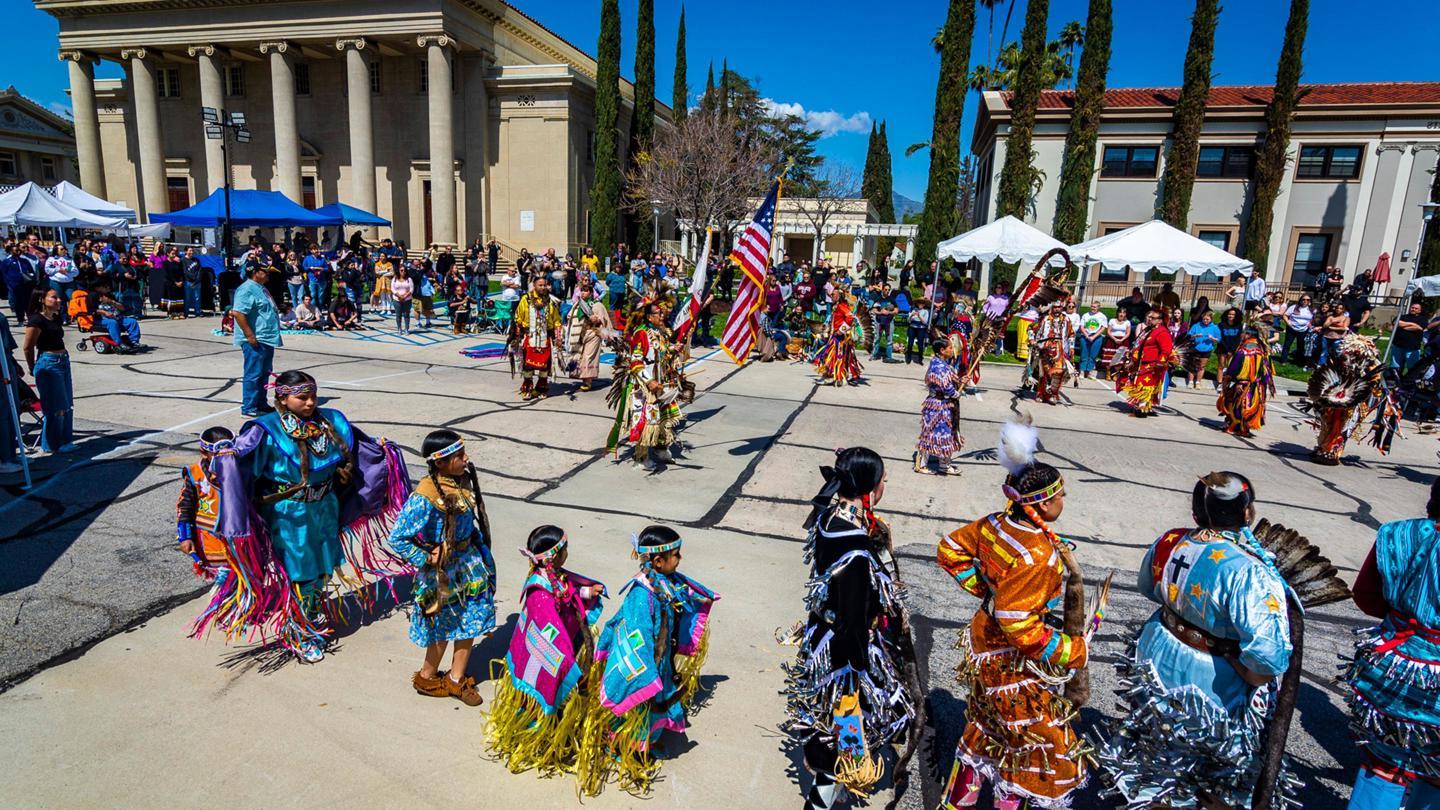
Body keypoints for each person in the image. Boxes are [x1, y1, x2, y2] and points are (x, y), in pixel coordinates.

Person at [1098, 472, 1296, 808]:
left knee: (1159, 747)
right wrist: (1245, 668)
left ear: (1195, 514)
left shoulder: (1171, 541)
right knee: (1211, 768)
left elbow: (1148, 587)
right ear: (1247, 513)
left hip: (1157, 651)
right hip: (1210, 679)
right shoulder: (1250, 571)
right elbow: (1267, 657)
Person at [937, 419, 1095, 809]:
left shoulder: (997, 523)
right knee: (1037, 746)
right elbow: (1018, 625)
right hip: (1009, 660)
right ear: (1042, 503)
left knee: (986, 726)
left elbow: (950, 549)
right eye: (1061, 496)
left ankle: (957, 804)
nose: (1064, 502)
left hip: (984, 642)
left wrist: (987, 592)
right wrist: (1071, 651)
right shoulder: (1036, 554)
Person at [201, 370, 410, 663]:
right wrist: (224, 459)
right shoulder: (266, 430)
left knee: (321, 569)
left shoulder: (330, 421)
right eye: (303, 397)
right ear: (282, 398)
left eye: (313, 395)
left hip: (325, 507)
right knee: (302, 573)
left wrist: (384, 451)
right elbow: (242, 463)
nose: (311, 402)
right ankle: (300, 632)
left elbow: (358, 447)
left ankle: (308, 616)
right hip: (289, 514)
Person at [785, 448, 918, 809]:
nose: (884, 485)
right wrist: (860, 667)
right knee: (844, 727)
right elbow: (855, 619)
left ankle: (828, 788)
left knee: (828, 722)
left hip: (821, 636)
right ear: (869, 489)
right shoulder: (856, 550)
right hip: (844, 654)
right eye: (883, 480)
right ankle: (820, 801)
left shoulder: (829, 517)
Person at [576, 524, 718, 797]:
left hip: (658, 659)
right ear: (657, 561)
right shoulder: (642, 594)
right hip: (642, 664)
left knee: (653, 706)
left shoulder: (663, 582)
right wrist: (646, 671)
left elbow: (683, 595)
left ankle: (644, 743)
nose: (679, 559)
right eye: (676, 555)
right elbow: (636, 634)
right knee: (638, 707)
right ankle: (625, 750)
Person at [1343, 479, 1440, 809]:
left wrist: (1403, 616)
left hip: (1392, 668)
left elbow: (1366, 597)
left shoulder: (1396, 534)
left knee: (1383, 763)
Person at [386, 431, 495, 707]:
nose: (466, 459)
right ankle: (427, 675)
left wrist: (482, 555)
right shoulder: (426, 494)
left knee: (471, 619)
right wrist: (425, 555)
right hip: (441, 573)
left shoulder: (463, 481)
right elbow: (397, 537)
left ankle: (457, 679)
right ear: (440, 462)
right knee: (441, 625)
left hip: (470, 566)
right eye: (459, 456)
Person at [486, 524, 606, 775]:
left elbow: (567, 593)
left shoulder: (555, 577)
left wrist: (587, 591)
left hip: (556, 649)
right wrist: (568, 662)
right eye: (565, 549)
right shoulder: (538, 590)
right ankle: (534, 741)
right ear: (554, 556)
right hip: (541, 656)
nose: (567, 553)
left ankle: (550, 732)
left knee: (555, 696)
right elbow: (549, 630)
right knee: (538, 700)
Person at [608, 300, 680, 471]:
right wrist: (649, 381)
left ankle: (661, 449)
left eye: (662, 313)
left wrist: (673, 349)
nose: (662, 316)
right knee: (648, 421)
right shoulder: (641, 333)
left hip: (661, 383)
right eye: (658, 313)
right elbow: (636, 361)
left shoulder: (660, 332)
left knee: (666, 420)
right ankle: (640, 456)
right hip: (645, 386)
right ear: (649, 317)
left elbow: (661, 352)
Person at [175, 426, 240, 607]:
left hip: (239, 538)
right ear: (204, 452)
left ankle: (235, 605)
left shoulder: (242, 472)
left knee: (239, 573)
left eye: (229, 455)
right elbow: (185, 507)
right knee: (224, 574)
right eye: (218, 456)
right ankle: (225, 606)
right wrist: (185, 536)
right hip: (210, 539)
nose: (225, 460)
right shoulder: (195, 475)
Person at [23, 287, 75, 454]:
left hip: (63, 361)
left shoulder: (55, 317)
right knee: (56, 407)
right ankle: (51, 445)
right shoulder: (36, 321)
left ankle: (65, 441)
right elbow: (27, 347)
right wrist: (32, 367)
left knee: (67, 404)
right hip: (49, 364)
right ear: (42, 299)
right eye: (53, 297)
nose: (58, 300)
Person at [229, 264, 282, 418]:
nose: (268, 275)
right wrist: (249, 335)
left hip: (267, 338)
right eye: (265, 272)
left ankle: (261, 403)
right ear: (255, 273)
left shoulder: (260, 288)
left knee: (264, 373)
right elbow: (238, 313)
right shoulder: (246, 289)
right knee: (253, 374)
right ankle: (249, 407)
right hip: (255, 339)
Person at [916, 338, 963, 475]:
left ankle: (944, 465)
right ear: (942, 351)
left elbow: (952, 376)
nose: (951, 350)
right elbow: (946, 387)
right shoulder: (938, 366)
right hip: (936, 406)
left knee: (947, 434)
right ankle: (921, 465)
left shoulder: (943, 363)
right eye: (949, 348)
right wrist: (956, 394)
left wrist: (961, 380)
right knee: (929, 435)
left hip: (944, 406)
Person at [512, 275, 561, 400]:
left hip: (545, 337)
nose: (543, 287)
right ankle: (527, 388)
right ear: (534, 286)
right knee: (528, 365)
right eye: (540, 285)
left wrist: (558, 336)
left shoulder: (550, 300)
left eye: (544, 285)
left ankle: (541, 388)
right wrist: (516, 336)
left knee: (544, 366)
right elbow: (518, 318)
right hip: (530, 336)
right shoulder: (526, 299)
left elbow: (556, 320)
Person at [1119, 308, 1175, 417]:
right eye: (1149, 317)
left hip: (1152, 364)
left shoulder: (1162, 332)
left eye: (1153, 318)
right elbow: (1140, 346)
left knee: (1145, 385)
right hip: (1142, 362)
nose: (1150, 319)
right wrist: (1133, 358)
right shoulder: (1150, 330)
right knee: (1142, 384)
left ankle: (1142, 408)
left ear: (1160, 320)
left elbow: (1166, 350)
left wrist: (1160, 362)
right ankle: (1145, 406)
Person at [565, 275, 612, 391]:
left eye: (586, 291)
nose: (583, 293)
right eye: (582, 291)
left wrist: (596, 319)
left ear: (591, 293)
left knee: (588, 357)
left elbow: (602, 319)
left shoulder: (597, 305)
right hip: (580, 334)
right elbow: (569, 316)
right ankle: (584, 377)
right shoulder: (577, 304)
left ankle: (588, 381)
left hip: (593, 334)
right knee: (579, 356)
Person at [814, 288, 862, 386]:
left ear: (839, 296)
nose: (831, 296)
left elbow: (850, 318)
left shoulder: (842, 306)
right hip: (835, 336)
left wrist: (841, 330)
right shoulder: (836, 307)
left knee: (832, 357)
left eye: (833, 294)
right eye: (831, 294)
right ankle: (840, 378)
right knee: (840, 358)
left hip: (839, 338)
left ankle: (831, 377)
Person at [1031, 302, 1074, 404]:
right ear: (1051, 308)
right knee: (1044, 373)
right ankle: (1041, 394)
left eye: (1059, 307)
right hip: (1045, 348)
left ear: (1062, 308)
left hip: (1060, 349)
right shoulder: (1044, 319)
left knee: (1058, 372)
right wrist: (1032, 339)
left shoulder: (1066, 319)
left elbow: (1071, 334)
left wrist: (1071, 347)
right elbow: (1031, 328)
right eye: (1055, 307)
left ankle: (1053, 394)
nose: (1057, 309)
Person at [1185, 309, 1222, 388]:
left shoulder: (1215, 328)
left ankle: (1198, 382)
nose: (1205, 321)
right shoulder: (1196, 325)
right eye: (1204, 319)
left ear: (1211, 319)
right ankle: (1191, 382)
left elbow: (1218, 340)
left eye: (1207, 319)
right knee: (1193, 365)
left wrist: (1212, 338)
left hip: (1207, 349)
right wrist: (1195, 336)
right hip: (1195, 348)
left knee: (1202, 366)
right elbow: (1188, 336)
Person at [1391, 302, 1426, 375]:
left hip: (1412, 348)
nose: (1413, 309)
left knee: (1412, 367)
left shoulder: (1422, 319)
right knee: (1395, 366)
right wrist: (1413, 324)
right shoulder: (1402, 316)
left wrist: (1402, 326)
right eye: (1412, 307)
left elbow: (1419, 328)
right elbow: (1396, 323)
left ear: (1419, 311)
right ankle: (1394, 381)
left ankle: (1409, 382)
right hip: (1398, 346)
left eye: (1416, 308)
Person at [1077, 300, 1109, 379]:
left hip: (1097, 337)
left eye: (1095, 307)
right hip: (1085, 336)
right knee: (1084, 354)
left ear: (1098, 307)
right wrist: (1087, 335)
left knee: (1093, 355)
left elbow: (1103, 328)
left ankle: (1089, 371)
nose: (1093, 308)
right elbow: (1081, 326)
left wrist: (1094, 336)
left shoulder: (1102, 316)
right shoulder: (1085, 315)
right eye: (1092, 306)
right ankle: (1082, 370)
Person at [1281, 294, 1316, 365]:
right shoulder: (1294, 307)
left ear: (1310, 301)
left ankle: (1298, 361)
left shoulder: (1312, 310)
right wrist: (1288, 323)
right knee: (1287, 344)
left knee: (1300, 346)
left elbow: (1312, 319)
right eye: (1303, 299)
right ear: (1301, 300)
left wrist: (1310, 325)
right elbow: (1285, 315)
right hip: (1291, 329)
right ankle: (1283, 360)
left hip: (1303, 330)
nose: (1305, 301)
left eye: (1307, 300)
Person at [869, 282, 898, 362]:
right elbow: (874, 310)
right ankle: (874, 355)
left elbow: (896, 310)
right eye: (886, 290)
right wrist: (881, 312)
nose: (887, 291)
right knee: (877, 338)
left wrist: (889, 312)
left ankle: (889, 357)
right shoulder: (878, 299)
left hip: (889, 322)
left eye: (888, 290)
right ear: (882, 290)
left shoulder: (891, 299)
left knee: (889, 339)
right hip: (879, 321)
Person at [1215, 307, 1244, 387]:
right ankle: (1219, 383)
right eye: (1229, 314)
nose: (1231, 316)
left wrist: (1232, 350)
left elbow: (1238, 339)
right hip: (1222, 348)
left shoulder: (1239, 326)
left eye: (1233, 314)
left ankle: (1227, 383)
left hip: (1233, 349)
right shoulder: (1221, 325)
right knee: (1221, 366)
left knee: (1231, 367)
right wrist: (1227, 349)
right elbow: (1219, 338)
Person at [905, 299, 930, 364]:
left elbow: (925, 322)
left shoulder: (925, 311)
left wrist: (919, 316)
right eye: (919, 303)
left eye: (922, 303)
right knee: (910, 343)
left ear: (924, 304)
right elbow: (908, 321)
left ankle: (920, 358)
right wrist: (911, 316)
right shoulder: (913, 310)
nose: (920, 304)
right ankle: (908, 357)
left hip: (921, 328)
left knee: (920, 344)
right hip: (912, 327)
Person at [391, 265, 414, 334]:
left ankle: (406, 329)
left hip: (407, 299)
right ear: (398, 271)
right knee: (398, 315)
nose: (403, 272)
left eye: (404, 270)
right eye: (401, 270)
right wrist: (399, 296)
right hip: (397, 299)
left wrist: (405, 296)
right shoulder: (394, 279)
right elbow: (392, 288)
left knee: (406, 314)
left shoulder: (409, 279)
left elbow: (412, 289)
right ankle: (399, 328)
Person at [182, 247, 204, 317]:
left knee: (197, 298)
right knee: (187, 298)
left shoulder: (196, 260)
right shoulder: (183, 260)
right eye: (190, 250)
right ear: (186, 251)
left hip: (197, 282)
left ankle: (197, 312)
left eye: (192, 250)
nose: (191, 252)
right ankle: (186, 312)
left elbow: (200, 270)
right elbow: (185, 272)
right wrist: (192, 278)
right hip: (188, 281)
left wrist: (197, 279)